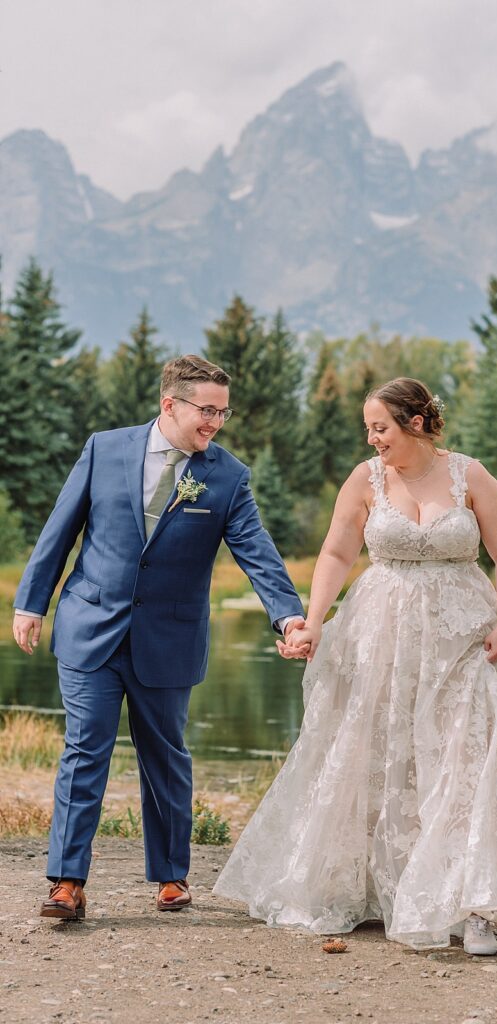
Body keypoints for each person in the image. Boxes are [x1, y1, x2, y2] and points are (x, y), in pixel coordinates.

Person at [213, 377, 497, 955]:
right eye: (368, 428)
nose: (371, 437)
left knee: (468, 758)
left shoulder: (471, 476)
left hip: (464, 638)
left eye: (380, 426)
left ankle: (475, 905)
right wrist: (312, 620)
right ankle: (380, 891)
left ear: (415, 422)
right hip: (379, 637)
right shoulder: (365, 479)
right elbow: (337, 552)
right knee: (379, 754)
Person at [13, 354, 305, 921]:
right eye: (207, 410)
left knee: (165, 758)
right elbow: (61, 528)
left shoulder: (227, 475)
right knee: (84, 749)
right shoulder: (105, 448)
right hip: (90, 624)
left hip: (169, 638)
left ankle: (172, 876)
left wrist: (286, 615)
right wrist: (32, 602)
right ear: (170, 404)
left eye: (224, 412)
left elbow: (257, 551)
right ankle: (66, 881)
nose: (216, 422)